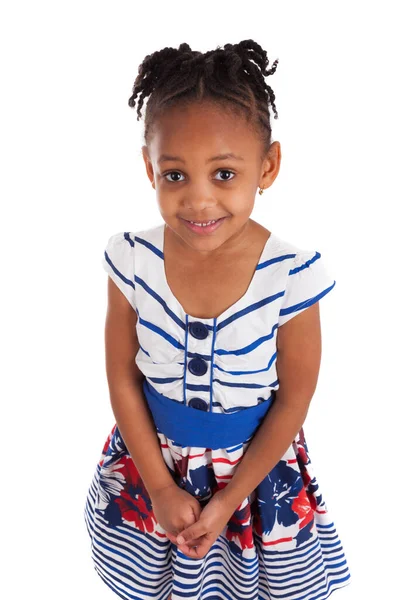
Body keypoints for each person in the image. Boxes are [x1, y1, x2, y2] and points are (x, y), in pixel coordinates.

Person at [84, 39, 352, 600]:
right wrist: (158, 485)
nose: (199, 201)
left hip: (252, 484)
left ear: (268, 166)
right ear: (148, 168)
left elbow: (294, 401)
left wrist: (227, 502)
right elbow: (121, 376)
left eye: (224, 174)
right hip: (150, 465)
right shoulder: (131, 260)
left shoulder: (293, 275)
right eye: (175, 175)